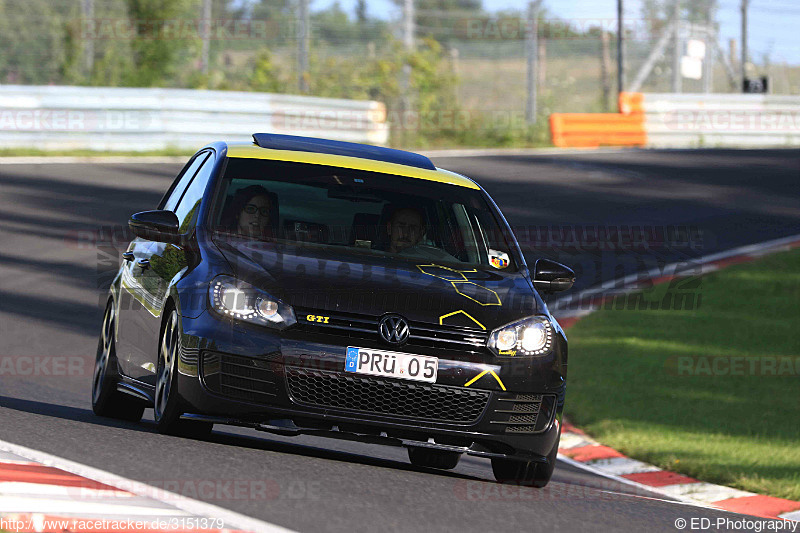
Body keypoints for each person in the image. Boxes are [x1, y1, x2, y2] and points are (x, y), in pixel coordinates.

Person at [386, 206, 456, 261]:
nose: (405, 234)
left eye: (413, 228)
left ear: (421, 234)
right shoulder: (375, 260)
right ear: (389, 228)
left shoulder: (432, 268)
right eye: (401, 226)